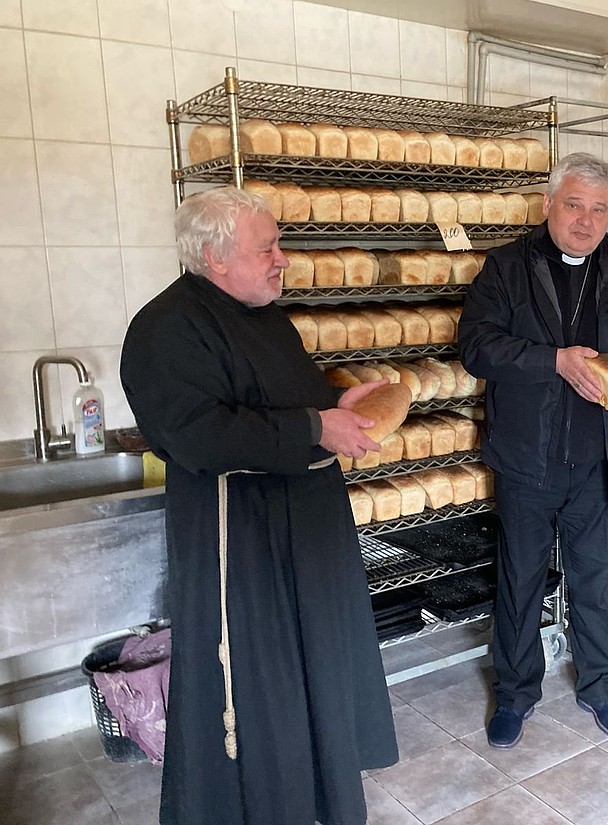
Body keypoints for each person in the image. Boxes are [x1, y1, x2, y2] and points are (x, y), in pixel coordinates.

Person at [120, 187, 398, 825]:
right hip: (240, 539)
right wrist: (315, 427)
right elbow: (196, 435)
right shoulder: (165, 328)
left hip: (304, 524)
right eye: (267, 248)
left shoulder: (263, 313)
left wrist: (334, 405)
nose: (283, 259)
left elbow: (281, 396)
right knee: (259, 679)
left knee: (314, 664)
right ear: (215, 256)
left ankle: (320, 798)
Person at [458, 152, 608, 748]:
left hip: (601, 458)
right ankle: (515, 692)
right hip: (527, 458)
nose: (585, 221)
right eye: (574, 205)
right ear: (548, 204)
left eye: (599, 209)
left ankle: (601, 686)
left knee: (594, 579)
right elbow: (477, 347)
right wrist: (553, 361)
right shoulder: (506, 268)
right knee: (520, 580)